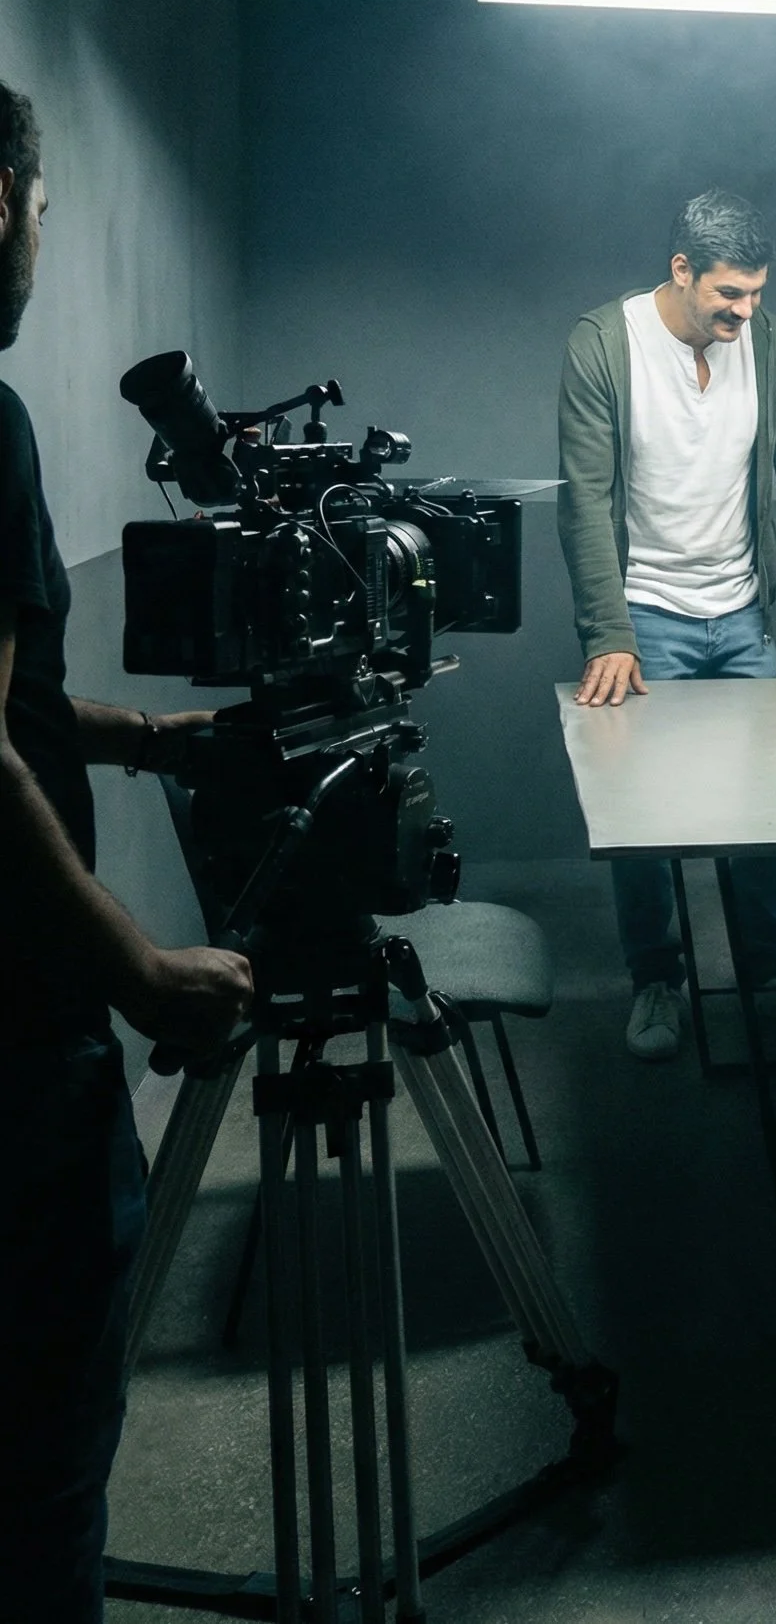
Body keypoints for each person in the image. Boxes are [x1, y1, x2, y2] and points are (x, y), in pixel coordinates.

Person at [0, 81, 252, 1622]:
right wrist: (142, 968)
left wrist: (150, 736)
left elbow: (19, 708)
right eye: (39, 210)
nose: (39, 242)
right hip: (22, 1041)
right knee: (44, 1462)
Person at [558, 188, 776, 1060]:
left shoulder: (770, 344)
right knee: (643, 818)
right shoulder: (604, 342)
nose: (745, 312)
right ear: (682, 270)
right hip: (645, 613)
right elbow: (585, 500)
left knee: (764, 811)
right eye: (728, 294)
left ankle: (769, 981)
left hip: (741, 614)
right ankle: (655, 981)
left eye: (756, 293)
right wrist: (607, 633)